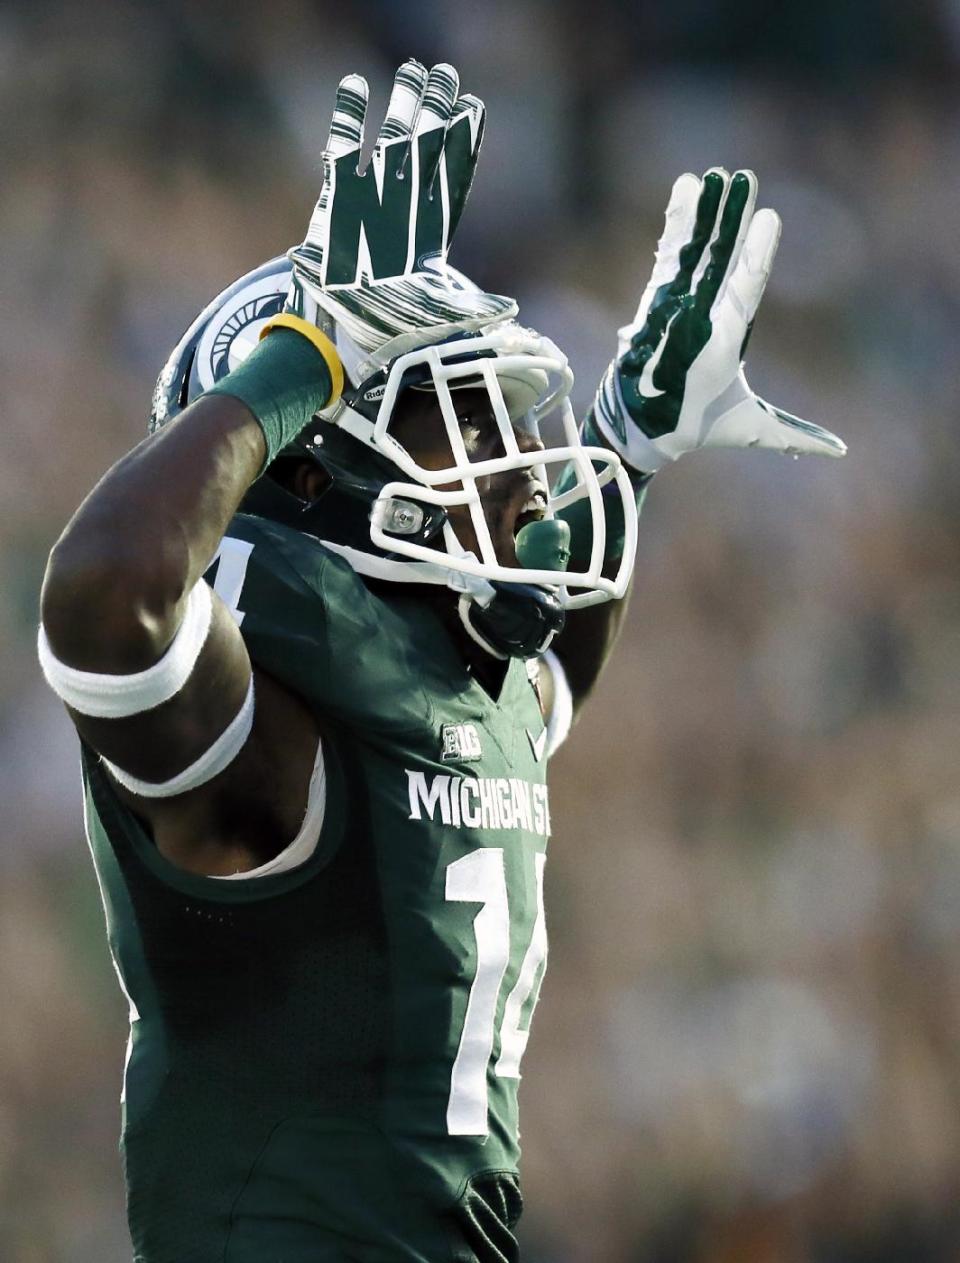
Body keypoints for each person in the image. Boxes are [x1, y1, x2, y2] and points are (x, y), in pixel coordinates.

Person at [38, 60, 845, 1263]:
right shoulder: (270, 733)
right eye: (470, 418)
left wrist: (626, 447)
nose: (524, 465)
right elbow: (107, 600)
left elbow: (547, 676)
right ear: (311, 467)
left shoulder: (449, 682)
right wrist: (310, 352)